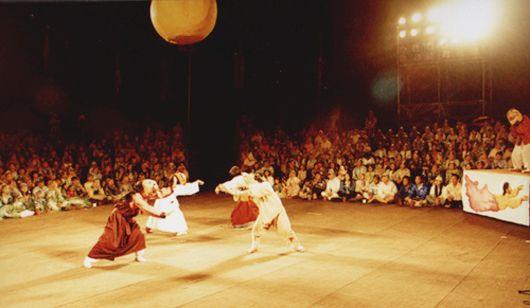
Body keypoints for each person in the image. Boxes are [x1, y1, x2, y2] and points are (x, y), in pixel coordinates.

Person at [83, 179, 167, 269]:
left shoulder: (144, 196)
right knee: (111, 242)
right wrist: (160, 214)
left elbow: (146, 207)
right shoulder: (135, 196)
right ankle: (90, 258)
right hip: (117, 218)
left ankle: (139, 255)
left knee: (138, 236)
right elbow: (145, 207)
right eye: (151, 185)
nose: (153, 187)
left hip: (128, 219)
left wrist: (159, 213)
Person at [216, 173, 304, 254]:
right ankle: (255, 247)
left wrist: (236, 190)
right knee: (256, 230)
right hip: (265, 213)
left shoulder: (265, 186)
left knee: (285, 230)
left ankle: (297, 245)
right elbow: (242, 195)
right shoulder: (252, 189)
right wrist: (222, 187)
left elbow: (248, 192)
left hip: (277, 211)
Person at [506, 108, 530, 172]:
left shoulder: (525, 119)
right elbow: (515, 135)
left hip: (528, 139)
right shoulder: (513, 126)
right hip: (522, 139)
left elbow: (526, 131)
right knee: (515, 153)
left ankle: (528, 167)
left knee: (526, 152)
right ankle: (517, 167)